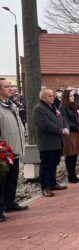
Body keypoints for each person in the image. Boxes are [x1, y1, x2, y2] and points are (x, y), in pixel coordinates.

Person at [0, 78, 28, 222]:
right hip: (3, 153)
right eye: (6, 87)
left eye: (10, 86)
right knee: (2, 181)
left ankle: (9, 202)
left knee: (12, 179)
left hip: (14, 150)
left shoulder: (11, 105)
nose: (10, 89)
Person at [33, 89, 69, 197]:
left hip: (57, 142)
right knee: (46, 165)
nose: (53, 97)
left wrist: (66, 128)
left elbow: (62, 120)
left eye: (53, 96)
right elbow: (45, 124)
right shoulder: (39, 109)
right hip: (47, 143)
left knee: (54, 163)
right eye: (50, 96)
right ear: (42, 98)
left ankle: (53, 183)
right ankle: (45, 187)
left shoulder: (54, 107)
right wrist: (61, 131)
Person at [60, 90, 79, 183]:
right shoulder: (63, 107)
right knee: (70, 155)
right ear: (66, 97)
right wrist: (77, 128)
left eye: (73, 96)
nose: (73, 97)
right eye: (71, 96)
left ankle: (73, 174)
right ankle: (71, 175)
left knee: (75, 155)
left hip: (78, 133)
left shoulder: (76, 106)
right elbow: (66, 120)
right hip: (70, 134)